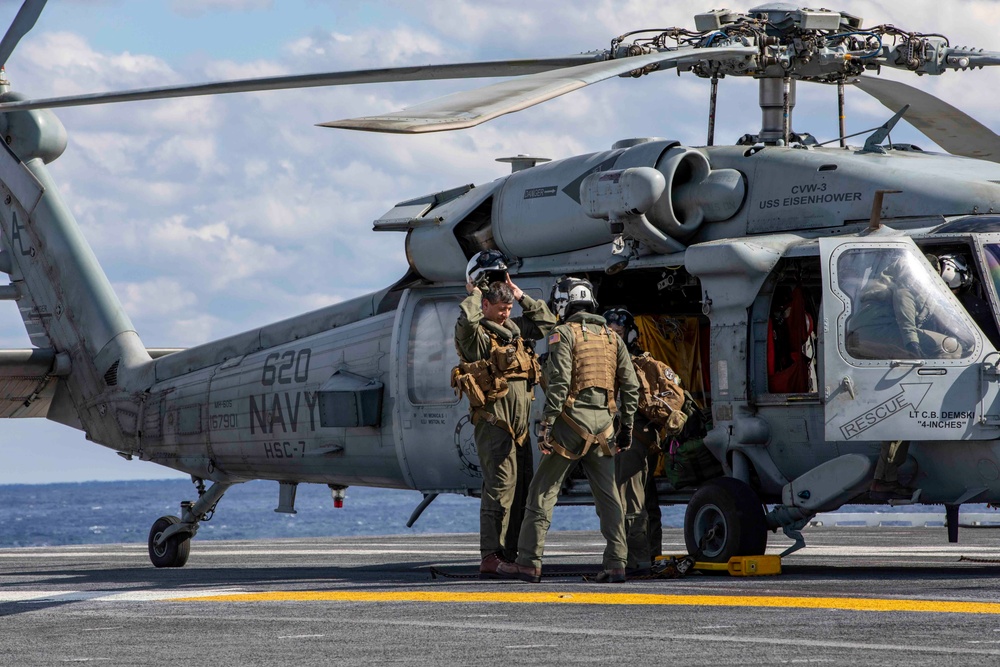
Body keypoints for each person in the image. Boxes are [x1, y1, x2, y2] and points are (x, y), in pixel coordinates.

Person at [497, 276, 639, 583]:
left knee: (541, 492)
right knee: (610, 497)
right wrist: (626, 427)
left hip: (570, 427)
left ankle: (528, 561)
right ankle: (617, 563)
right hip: (604, 428)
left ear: (564, 303)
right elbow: (631, 385)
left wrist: (547, 424)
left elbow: (560, 382)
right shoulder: (611, 338)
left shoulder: (563, 334)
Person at [453, 250, 557, 578]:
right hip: (494, 424)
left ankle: (510, 553)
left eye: (508, 307)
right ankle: (490, 556)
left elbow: (549, 324)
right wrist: (478, 294)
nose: (505, 312)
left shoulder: (514, 329)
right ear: (485, 305)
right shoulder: (476, 338)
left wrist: (519, 294)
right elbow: (467, 320)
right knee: (499, 487)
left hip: (521, 427)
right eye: (500, 307)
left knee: (521, 489)